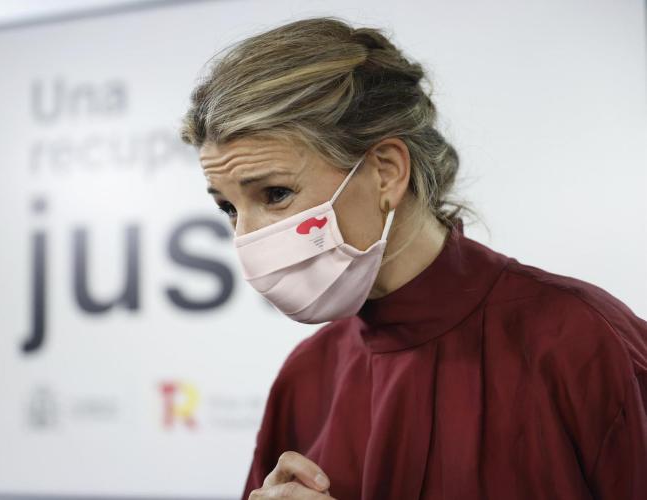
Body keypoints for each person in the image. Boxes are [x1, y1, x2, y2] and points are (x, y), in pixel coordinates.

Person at [179, 16, 647, 500]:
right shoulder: (306, 376)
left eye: (276, 193)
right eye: (228, 207)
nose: (247, 236)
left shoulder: (581, 342)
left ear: (386, 172)